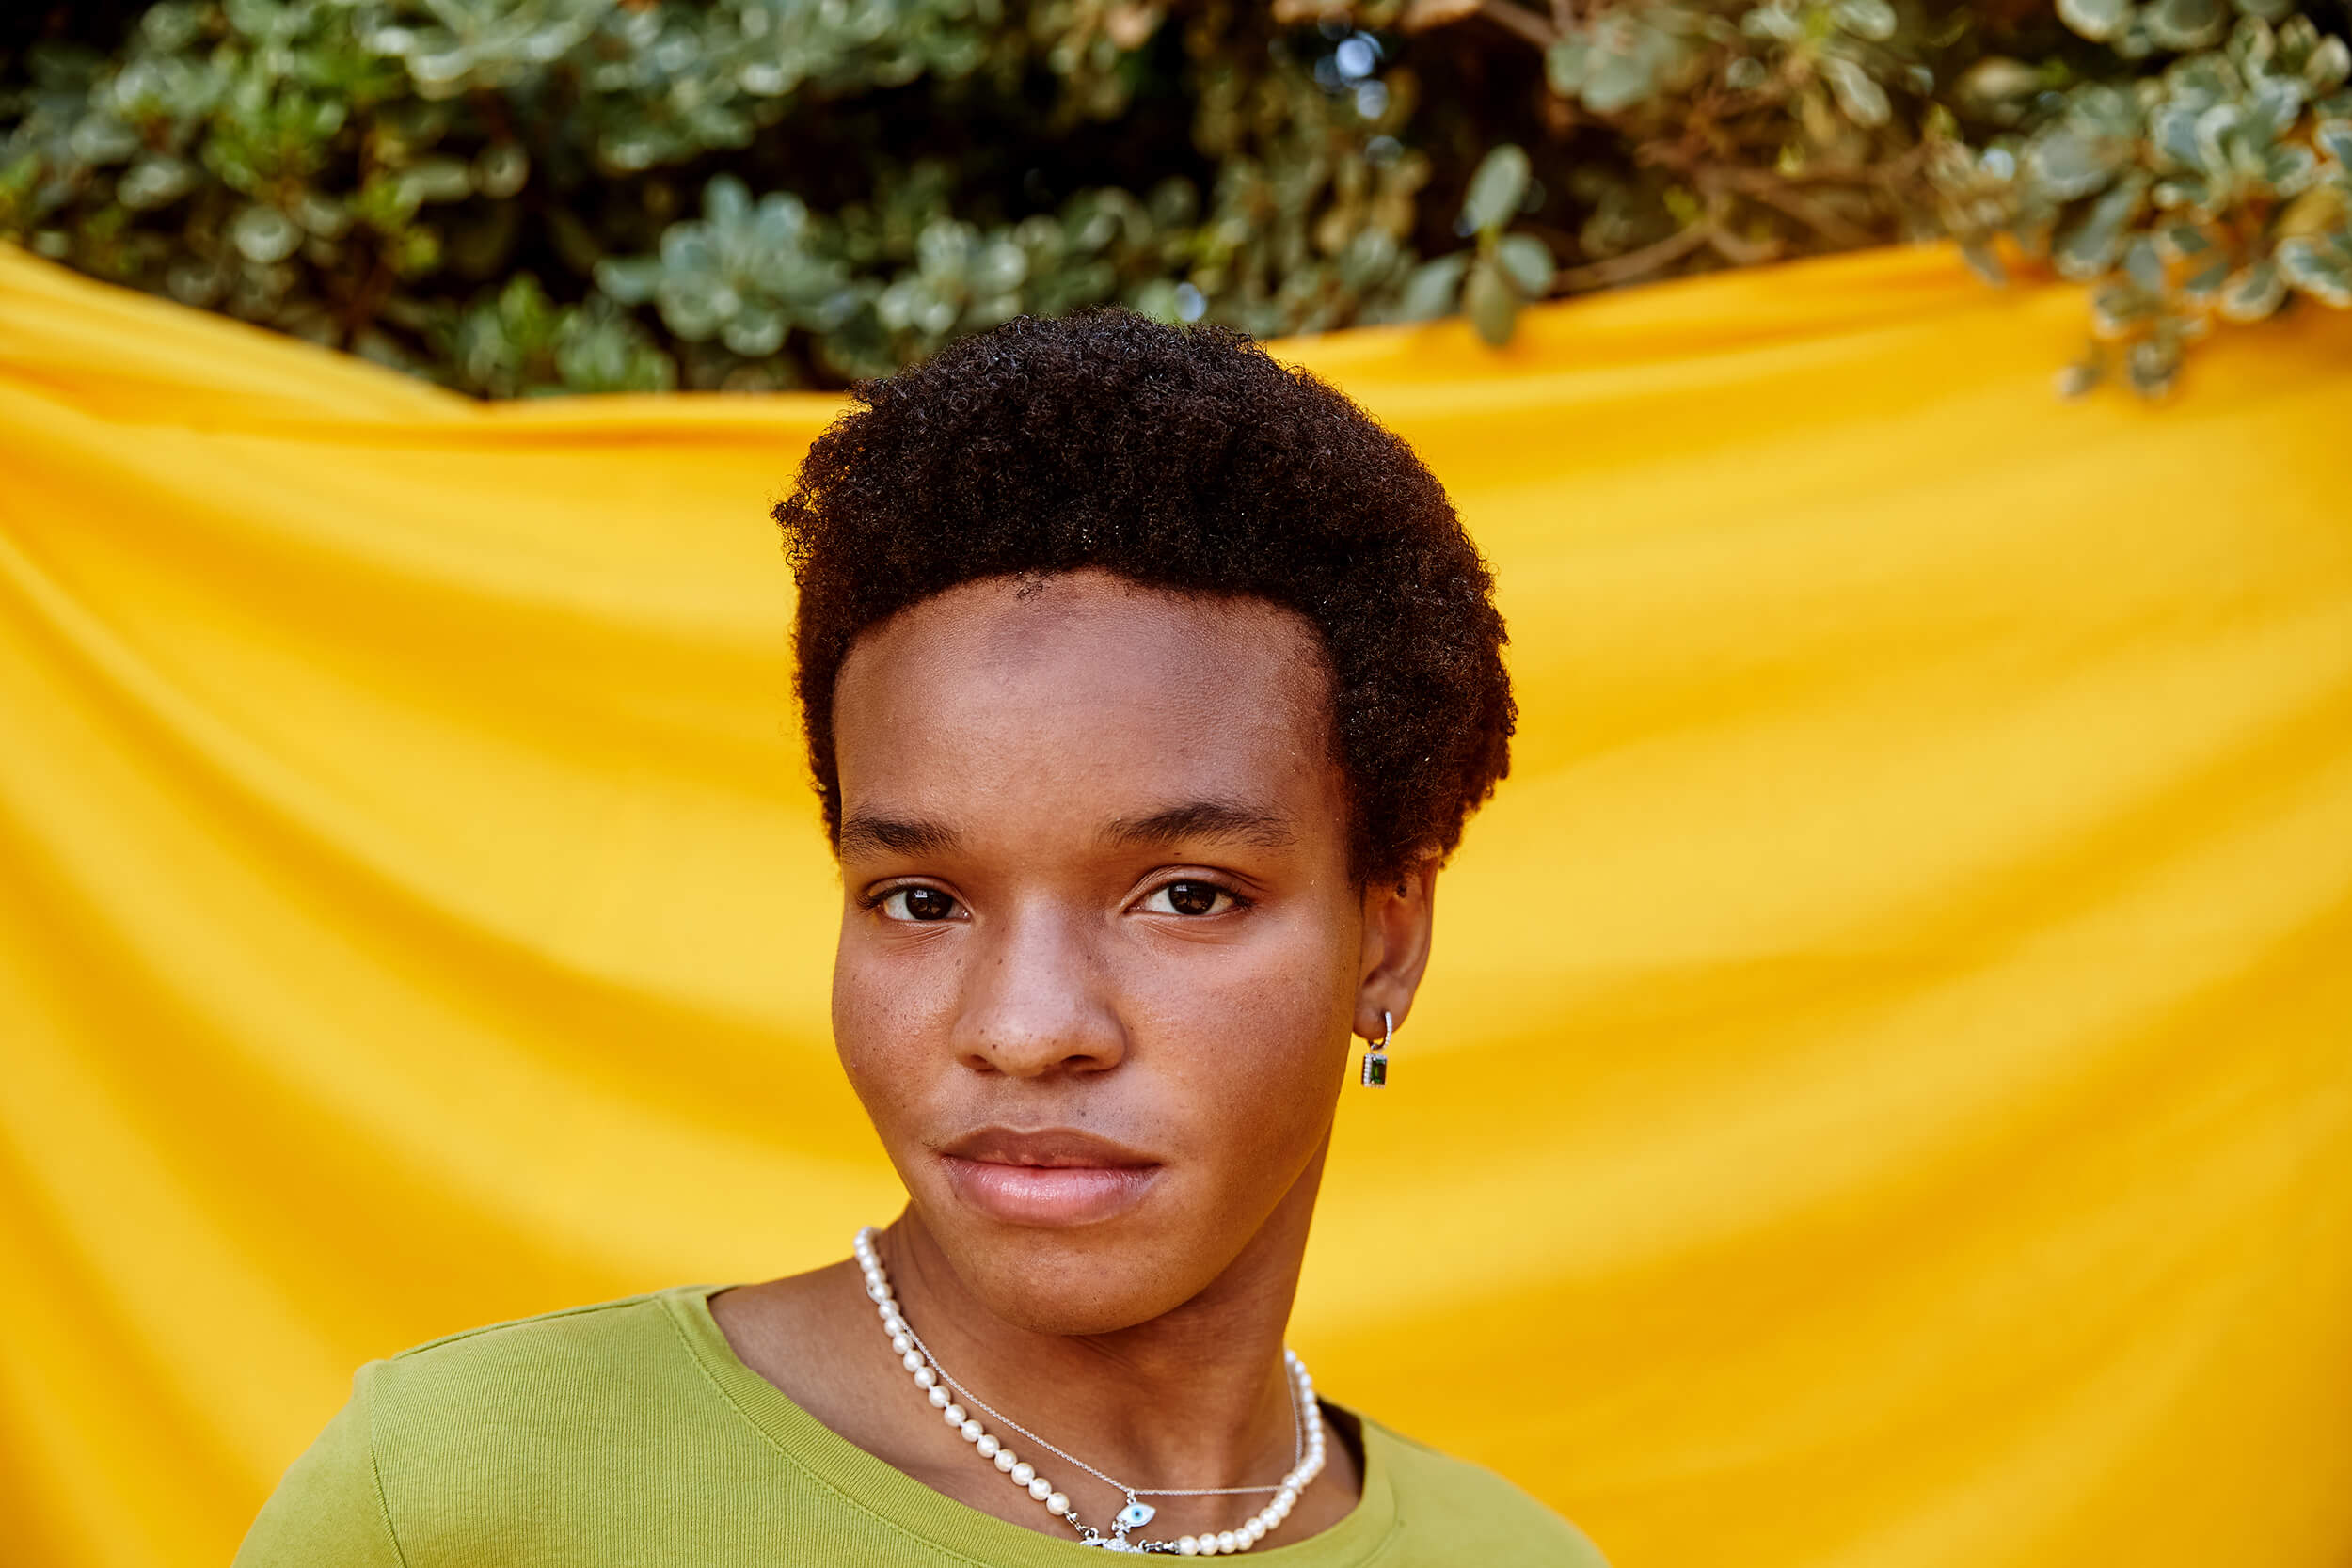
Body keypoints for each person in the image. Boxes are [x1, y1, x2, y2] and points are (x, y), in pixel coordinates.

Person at [235, 312, 1605, 1564]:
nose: (1024, 1028)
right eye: (922, 900)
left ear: (1386, 940)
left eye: (1185, 893)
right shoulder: (470, 1494)